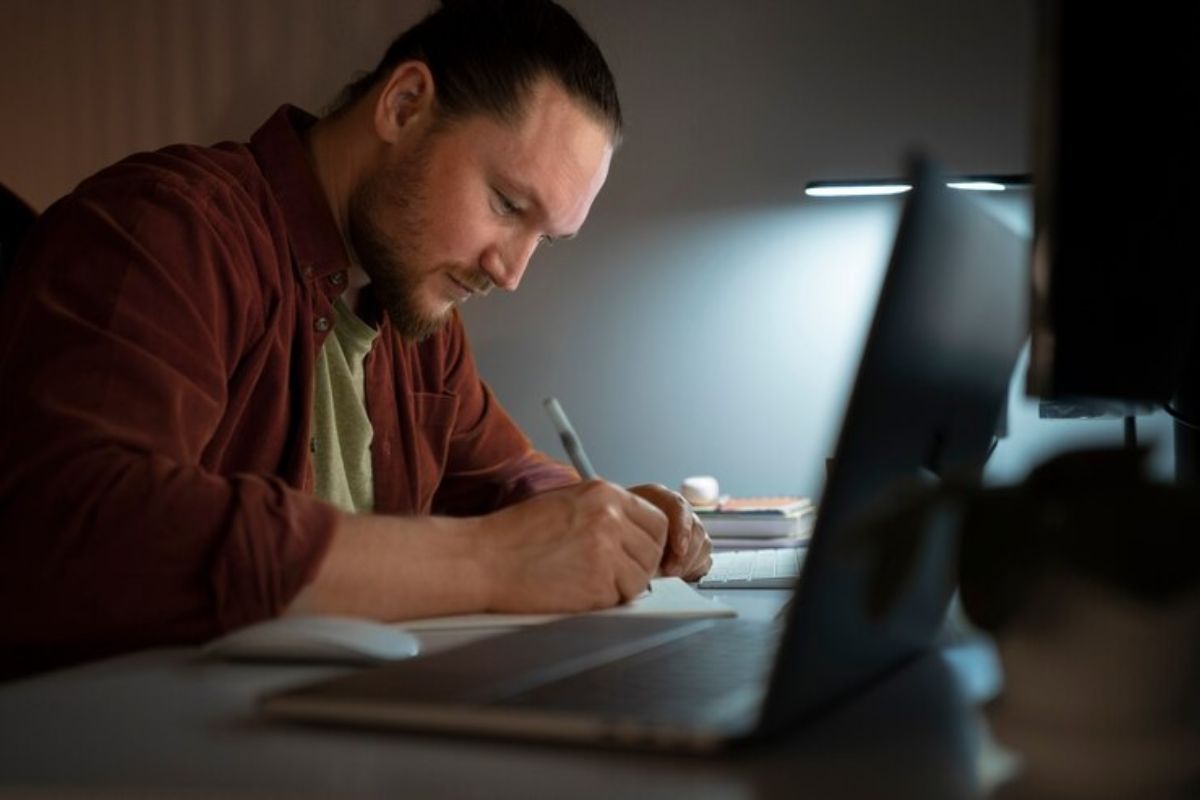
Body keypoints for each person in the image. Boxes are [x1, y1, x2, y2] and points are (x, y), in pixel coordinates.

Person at [0, 0, 712, 679]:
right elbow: (80, 530)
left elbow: (509, 482)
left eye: (545, 240)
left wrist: (611, 520)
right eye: (505, 204)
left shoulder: (414, 313)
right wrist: (489, 560)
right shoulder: (169, 231)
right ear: (403, 106)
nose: (512, 270)